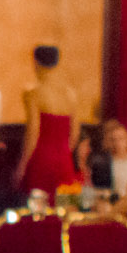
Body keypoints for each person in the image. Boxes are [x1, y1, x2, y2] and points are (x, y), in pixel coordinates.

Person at [15, 44, 84, 203]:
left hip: (41, 158)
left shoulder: (33, 93)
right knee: (62, 207)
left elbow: (33, 132)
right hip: (64, 160)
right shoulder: (70, 94)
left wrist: (22, 166)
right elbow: (74, 134)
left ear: (35, 62)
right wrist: (64, 153)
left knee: (38, 208)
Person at [90, 119, 127, 199]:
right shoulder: (100, 164)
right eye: (113, 140)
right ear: (106, 142)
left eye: (121, 138)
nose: (117, 143)